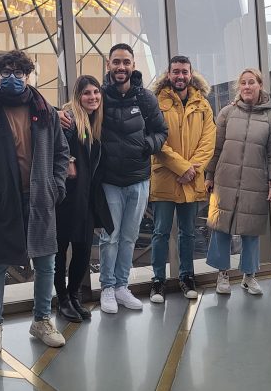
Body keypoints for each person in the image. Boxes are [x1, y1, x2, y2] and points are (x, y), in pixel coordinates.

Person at [0, 50, 69, 352]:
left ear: (28, 74)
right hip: (3, 200)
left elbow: (60, 154)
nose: (13, 78)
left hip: (40, 198)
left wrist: (56, 187)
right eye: (6, 73)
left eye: (18, 72)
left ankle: (41, 320)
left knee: (46, 263)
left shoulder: (44, 110)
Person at [61, 43, 168, 314]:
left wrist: (147, 145)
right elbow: (74, 111)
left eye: (126, 62)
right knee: (110, 237)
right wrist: (57, 114)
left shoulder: (145, 98)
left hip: (139, 179)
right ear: (108, 64)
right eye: (117, 62)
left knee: (130, 236)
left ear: (133, 65)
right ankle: (107, 287)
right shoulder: (100, 96)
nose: (122, 67)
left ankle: (122, 286)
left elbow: (161, 131)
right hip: (108, 180)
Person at [204, 68, 271, 295]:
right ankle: (222, 274)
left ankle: (249, 275)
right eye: (243, 83)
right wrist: (209, 175)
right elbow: (215, 148)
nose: (247, 87)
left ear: (260, 85)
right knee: (221, 226)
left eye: (251, 82)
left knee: (250, 229)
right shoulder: (227, 113)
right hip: (225, 178)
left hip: (255, 180)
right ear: (239, 87)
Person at [148, 56, 216, 302]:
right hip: (167, 177)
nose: (180, 76)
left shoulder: (203, 104)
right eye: (175, 71)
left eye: (184, 72)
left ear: (190, 74)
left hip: (191, 180)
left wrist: (192, 169)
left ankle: (187, 277)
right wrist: (181, 167)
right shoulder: (156, 102)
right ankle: (158, 280)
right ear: (168, 74)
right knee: (160, 232)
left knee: (188, 233)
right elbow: (156, 140)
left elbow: (208, 142)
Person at [55, 75, 109, 322]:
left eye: (96, 92)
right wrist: (69, 162)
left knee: (83, 249)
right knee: (59, 250)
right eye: (87, 93)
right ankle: (62, 299)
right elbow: (57, 149)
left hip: (85, 197)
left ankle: (73, 295)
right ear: (77, 97)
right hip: (66, 198)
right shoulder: (67, 120)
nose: (93, 97)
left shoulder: (94, 122)